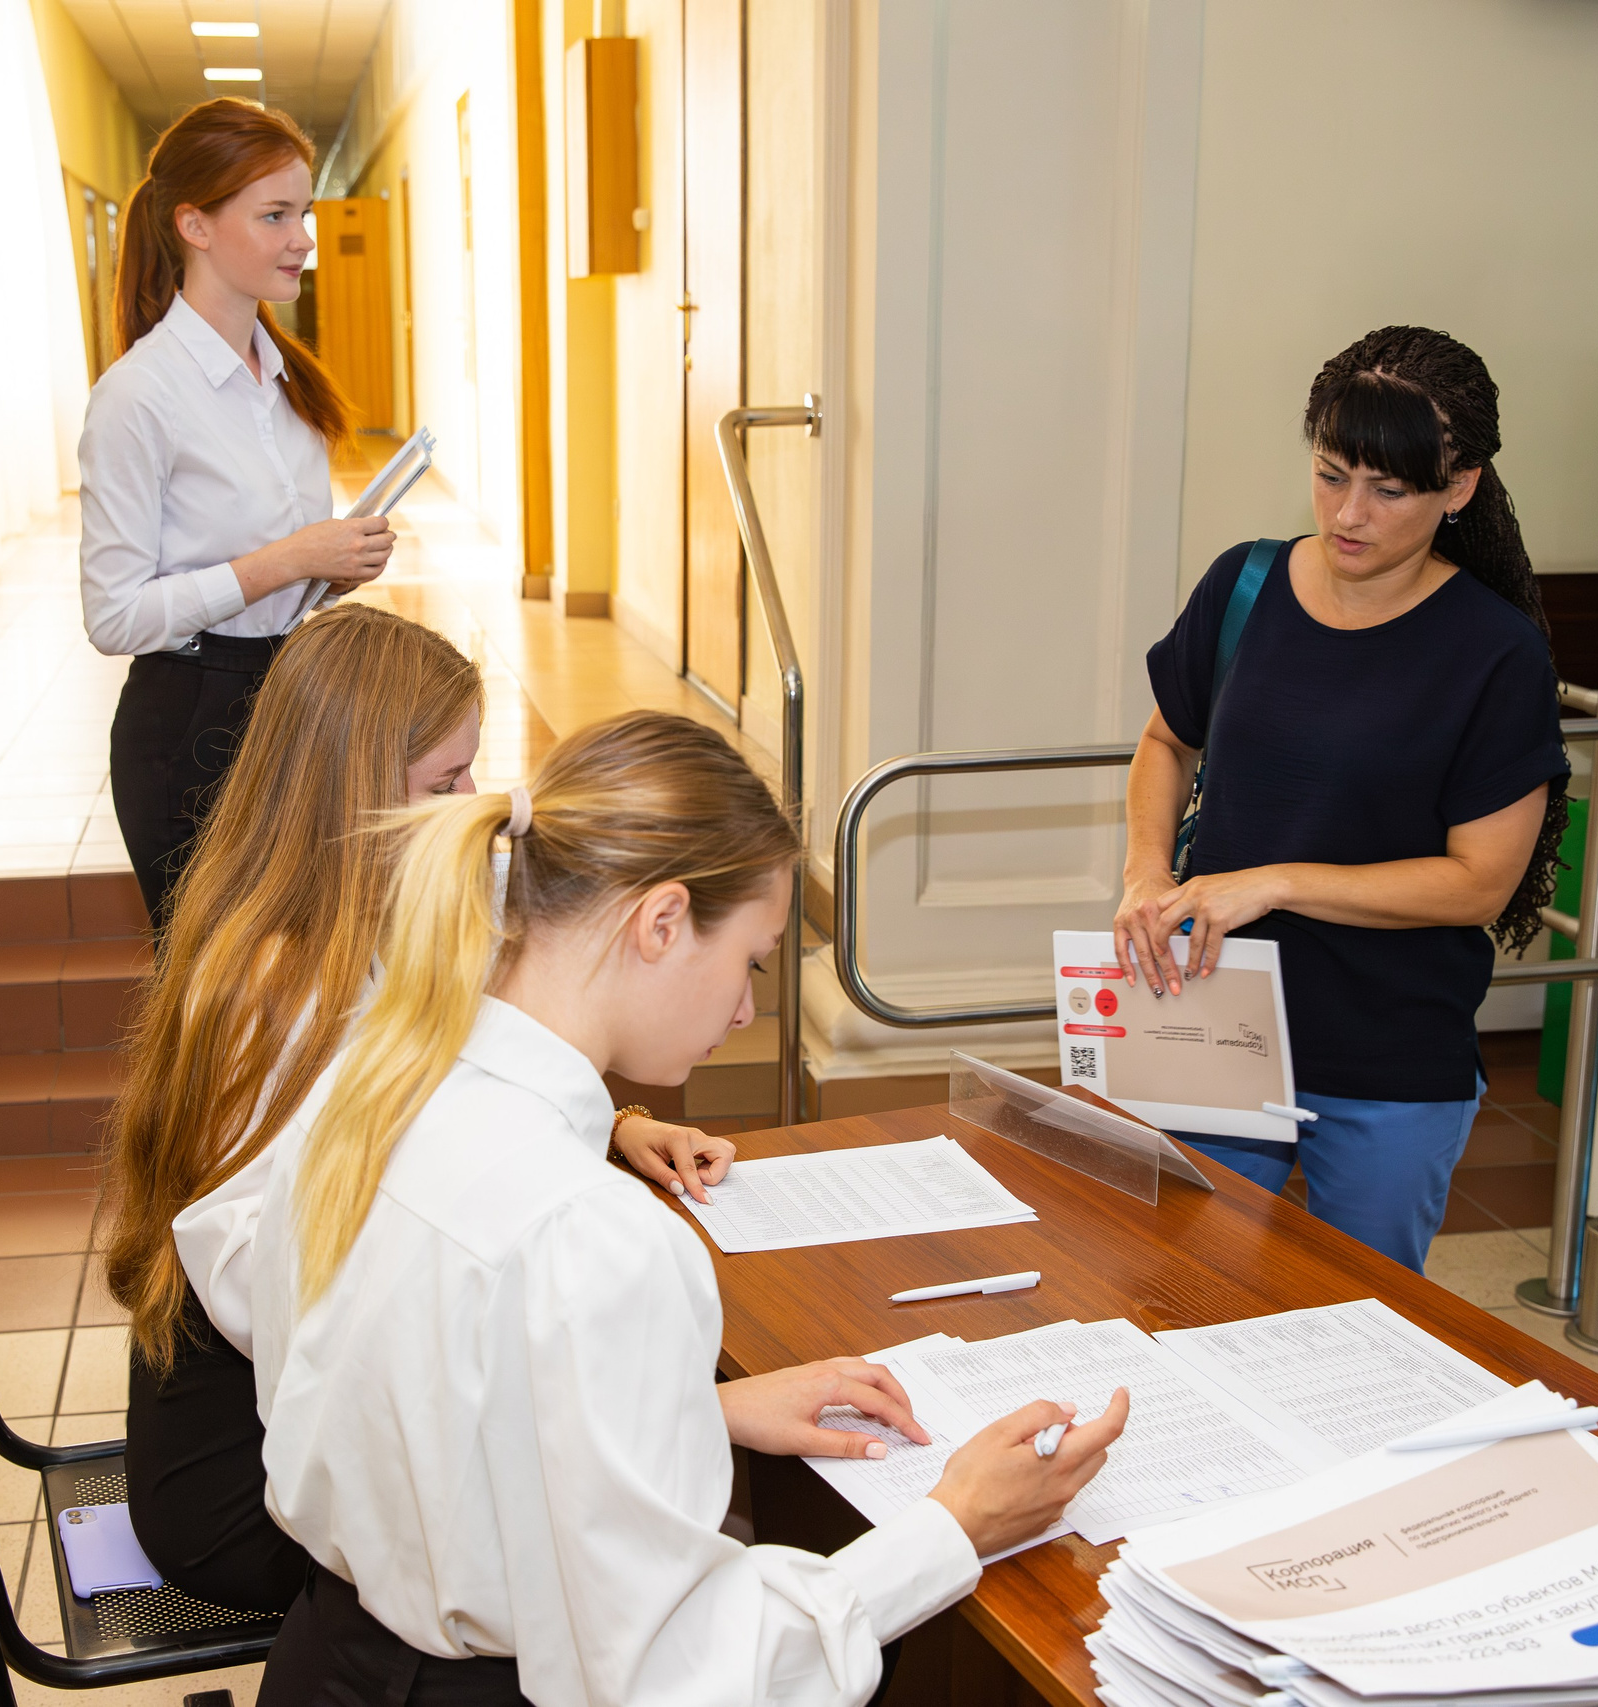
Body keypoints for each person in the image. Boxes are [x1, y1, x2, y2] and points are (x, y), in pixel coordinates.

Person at [239, 711, 1131, 1706]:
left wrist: (693, 1412)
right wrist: (952, 1526)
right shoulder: (595, 1234)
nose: (747, 1010)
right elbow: (681, 1674)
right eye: (750, 959)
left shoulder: (359, 1089)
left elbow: (423, 1414)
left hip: (326, 1659)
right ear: (661, 922)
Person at [102, 611, 739, 1613]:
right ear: (347, 788)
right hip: (242, 1467)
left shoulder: (349, 915)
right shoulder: (281, 985)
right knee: (589, 1547)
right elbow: (296, 1298)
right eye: (444, 783)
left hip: (293, 1407)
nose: (469, 805)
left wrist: (613, 1130)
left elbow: (428, 1097)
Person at [1111, 325, 1571, 1273]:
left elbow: (1479, 884)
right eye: (1330, 474)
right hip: (1216, 1023)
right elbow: (1166, 740)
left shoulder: (1493, 654)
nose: (1348, 514)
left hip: (1389, 1058)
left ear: (1461, 488)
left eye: (1390, 490)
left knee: (1361, 1333)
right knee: (1178, 1299)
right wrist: (1146, 872)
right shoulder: (1245, 584)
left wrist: (1272, 882)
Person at [81, 98, 394, 924]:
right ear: (195, 225)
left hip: (291, 699)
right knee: (216, 1006)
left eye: (306, 213)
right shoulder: (137, 398)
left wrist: (334, 567)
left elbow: (273, 583)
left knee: (305, 988)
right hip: (189, 724)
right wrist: (289, 561)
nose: (303, 239)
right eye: (276, 215)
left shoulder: (286, 382)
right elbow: (113, 616)